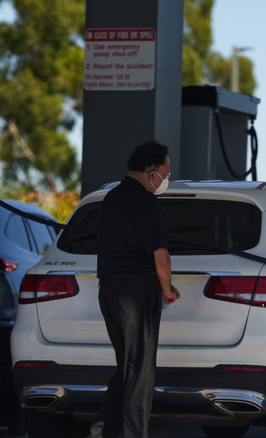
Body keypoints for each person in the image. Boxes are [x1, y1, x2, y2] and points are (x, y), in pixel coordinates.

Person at [90, 140, 181, 438]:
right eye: (164, 174)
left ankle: (101, 431)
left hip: (109, 292)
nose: (165, 181)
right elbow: (161, 255)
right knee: (140, 375)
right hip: (137, 294)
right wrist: (167, 289)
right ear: (150, 172)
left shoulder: (110, 198)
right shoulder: (146, 201)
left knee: (125, 370)